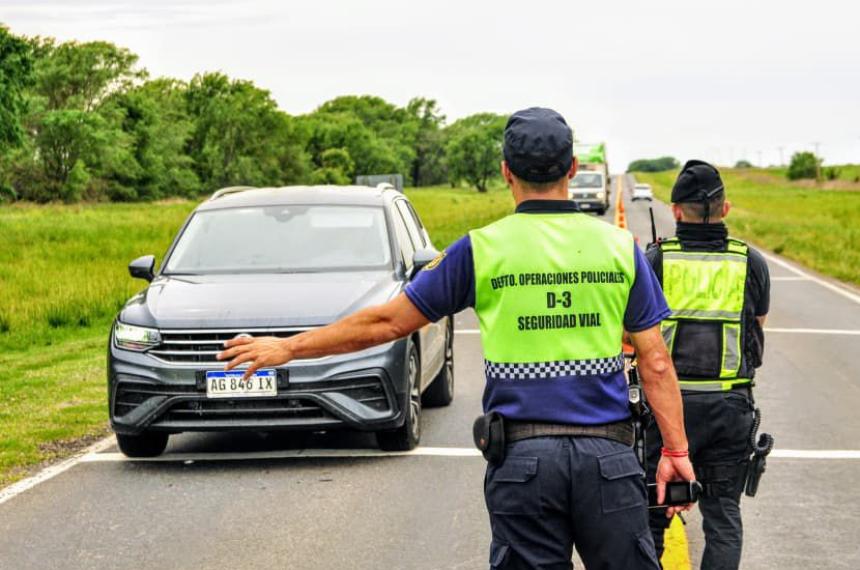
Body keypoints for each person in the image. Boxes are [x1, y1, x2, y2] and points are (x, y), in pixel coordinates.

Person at [218, 107, 695, 569]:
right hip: (607, 463)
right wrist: (675, 451)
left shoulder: (480, 250)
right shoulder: (619, 248)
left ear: (506, 172)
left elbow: (387, 323)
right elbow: (654, 363)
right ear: (572, 168)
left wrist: (289, 347)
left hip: (524, 466)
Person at [644, 160, 770, 570]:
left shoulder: (656, 260)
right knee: (722, 519)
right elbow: (757, 327)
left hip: (664, 410)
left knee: (650, 520)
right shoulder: (751, 262)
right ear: (725, 209)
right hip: (728, 409)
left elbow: (633, 335)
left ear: (676, 211)